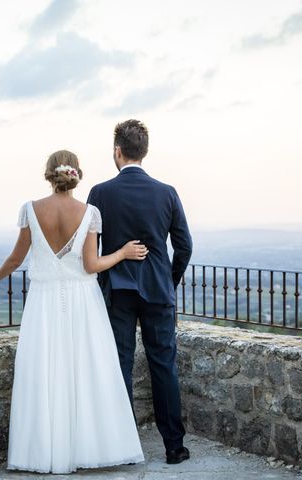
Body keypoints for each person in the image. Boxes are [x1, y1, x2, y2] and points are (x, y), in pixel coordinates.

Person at [0, 150, 146, 474]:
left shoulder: (30, 210)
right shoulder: (90, 213)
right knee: (87, 371)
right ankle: (89, 448)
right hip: (84, 302)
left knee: (44, 372)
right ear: (76, 173)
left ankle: (45, 451)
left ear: (49, 173)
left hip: (43, 301)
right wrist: (122, 253)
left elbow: (14, 260)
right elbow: (92, 265)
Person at [87, 119, 193, 465]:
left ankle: (125, 446)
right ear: (144, 152)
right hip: (158, 290)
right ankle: (174, 447)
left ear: (117, 151)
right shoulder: (167, 192)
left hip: (117, 291)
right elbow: (185, 247)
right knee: (164, 366)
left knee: (120, 366)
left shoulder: (100, 193)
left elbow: (91, 251)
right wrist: (168, 279)